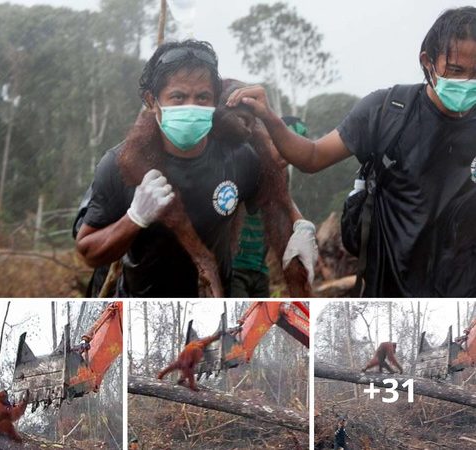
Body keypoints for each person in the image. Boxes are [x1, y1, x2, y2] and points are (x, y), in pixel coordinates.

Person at [227, 7, 476, 297]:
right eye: (456, 71)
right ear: (428, 62)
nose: (467, 83)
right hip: (390, 287)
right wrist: (269, 118)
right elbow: (312, 156)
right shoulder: (387, 111)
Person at [75, 40, 317, 297]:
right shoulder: (120, 163)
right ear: (152, 101)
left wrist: (299, 228)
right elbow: (88, 252)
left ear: (215, 102)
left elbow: (276, 204)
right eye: (178, 97)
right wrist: (134, 218)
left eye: (202, 97)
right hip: (142, 307)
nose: (191, 107)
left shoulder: (238, 158)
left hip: (213, 306)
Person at [231, 116, 308, 298]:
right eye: (278, 144)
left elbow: (284, 208)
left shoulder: (281, 177)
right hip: (234, 268)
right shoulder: (244, 162)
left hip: (260, 268)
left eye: (292, 148)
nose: (285, 154)